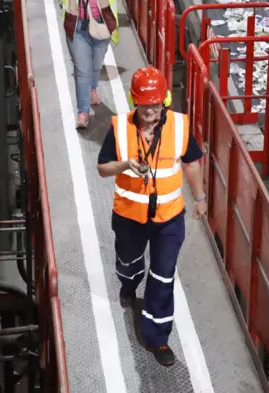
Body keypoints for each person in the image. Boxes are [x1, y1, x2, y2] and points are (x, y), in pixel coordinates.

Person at [95, 66, 208, 367]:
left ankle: (157, 339)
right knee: (130, 264)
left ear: (165, 100)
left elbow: (193, 163)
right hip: (130, 217)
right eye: (145, 104)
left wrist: (200, 198)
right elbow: (102, 168)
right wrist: (125, 165)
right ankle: (128, 285)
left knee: (163, 274)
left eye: (156, 103)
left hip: (169, 219)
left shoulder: (180, 126)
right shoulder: (119, 128)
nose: (151, 110)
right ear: (135, 101)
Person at [57, 0, 119, 128]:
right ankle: (82, 112)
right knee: (82, 70)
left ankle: (92, 88)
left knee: (95, 65)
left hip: (101, 27)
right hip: (78, 30)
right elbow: (63, 0)